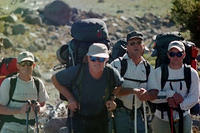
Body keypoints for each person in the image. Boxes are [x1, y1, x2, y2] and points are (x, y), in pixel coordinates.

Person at [52, 43, 123, 133]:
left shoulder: (111, 72)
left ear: (107, 59)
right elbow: (55, 79)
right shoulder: (78, 70)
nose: (97, 62)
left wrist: (112, 98)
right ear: (88, 58)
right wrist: (70, 99)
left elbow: (119, 84)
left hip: (102, 119)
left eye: (101, 59)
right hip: (79, 118)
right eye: (93, 59)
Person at [111, 31, 158, 133]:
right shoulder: (117, 64)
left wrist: (148, 95)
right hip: (120, 112)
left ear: (143, 46)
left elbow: (155, 91)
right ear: (127, 47)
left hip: (140, 113)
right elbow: (112, 91)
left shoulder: (148, 68)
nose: (136, 45)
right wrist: (134, 91)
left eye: (139, 42)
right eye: (132, 43)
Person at [148, 41, 200, 133]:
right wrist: (170, 95)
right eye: (172, 54)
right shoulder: (158, 72)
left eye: (179, 54)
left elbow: (194, 97)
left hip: (184, 117)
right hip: (161, 119)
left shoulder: (192, 73)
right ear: (168, 55)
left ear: (184, 55)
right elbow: (152, 97)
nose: (175, 57)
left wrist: (179, 105)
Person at [0, 51, 49, 133]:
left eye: (29, 63)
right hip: (9, 127)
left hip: (31, 128)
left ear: (33, 66)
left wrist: (39, 109)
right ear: (18, 66)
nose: (26, 67)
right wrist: (19, 110)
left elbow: (44, 106)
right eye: (23, 64)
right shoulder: (9, 83)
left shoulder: (38, 83)